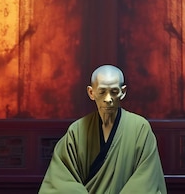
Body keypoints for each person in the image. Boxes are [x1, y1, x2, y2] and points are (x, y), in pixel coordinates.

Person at [39, 64, 167, 194]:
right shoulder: (76, 131)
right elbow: (60, 181)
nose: (108, 99)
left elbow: (145, 181)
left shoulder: (140, 129)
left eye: (114, 92)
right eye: (102, 92)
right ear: (91, 92)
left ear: (123, 92)